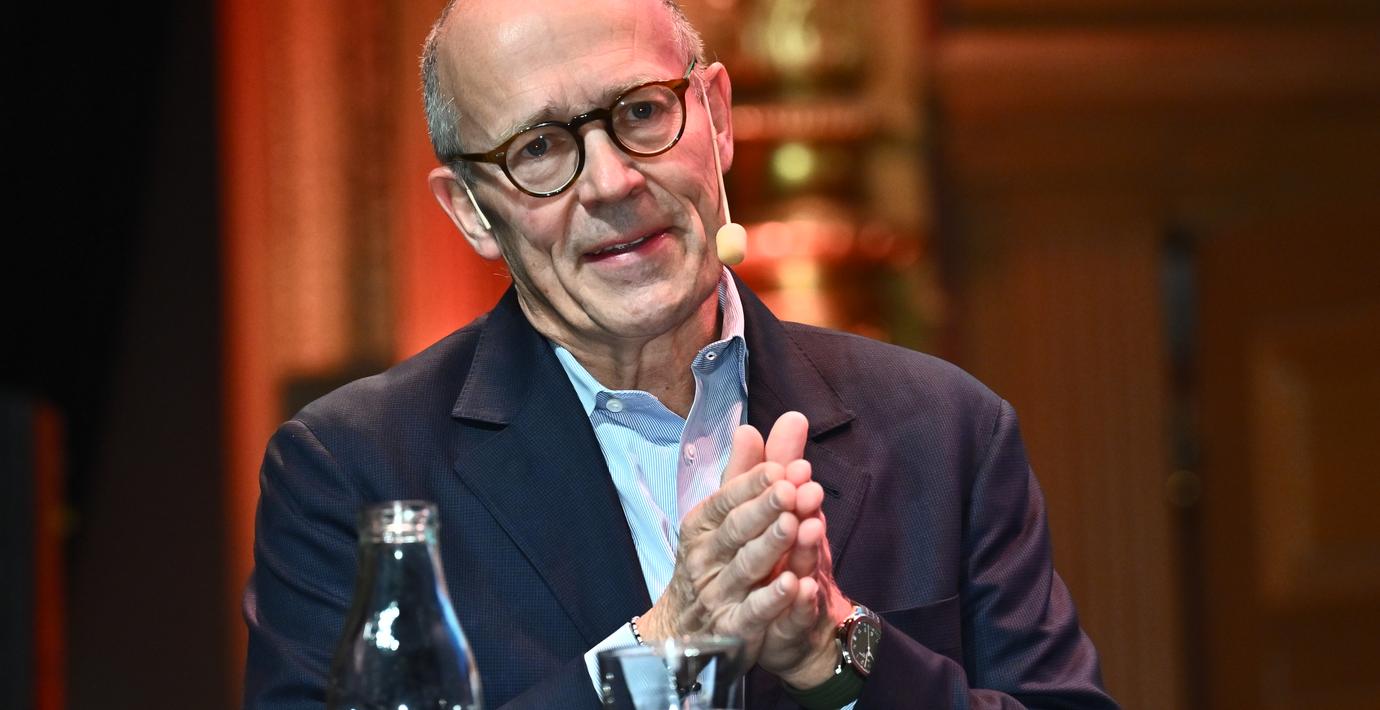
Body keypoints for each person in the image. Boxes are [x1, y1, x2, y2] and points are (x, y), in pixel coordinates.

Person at [242, 0, 1119, 708]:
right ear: (470, 209)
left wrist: (837, 652)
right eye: (538, 148)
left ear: (716, 116)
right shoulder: (353, 471)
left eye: (641, 112)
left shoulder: (947, 430)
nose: (613, 181)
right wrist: (662, 646)